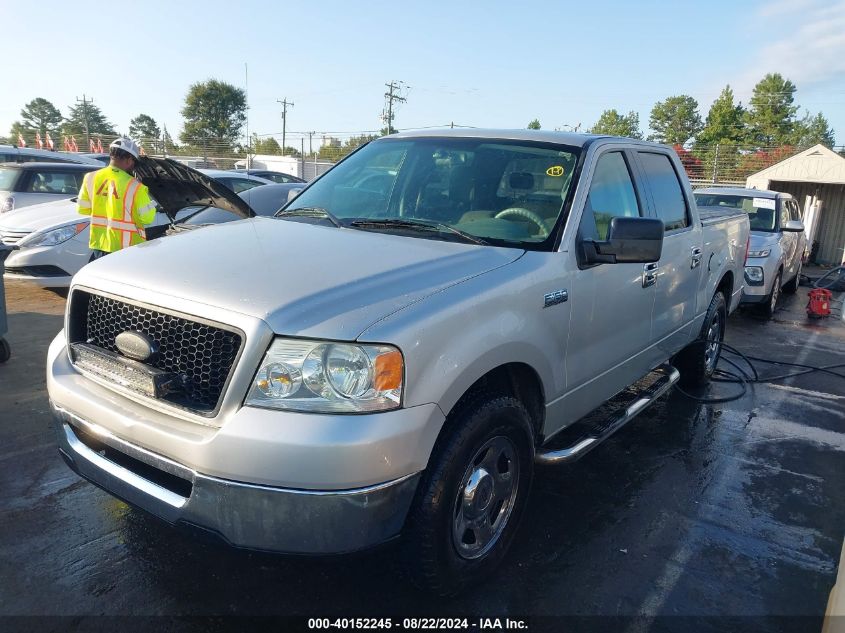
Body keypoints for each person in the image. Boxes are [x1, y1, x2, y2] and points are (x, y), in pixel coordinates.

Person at [77, 138, 156, 260]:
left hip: (99, 243)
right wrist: (153, 204)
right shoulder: (135, 186)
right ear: (129, 160)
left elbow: (83, 209)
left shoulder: (90, 178)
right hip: (127, 248)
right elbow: (147, 218)